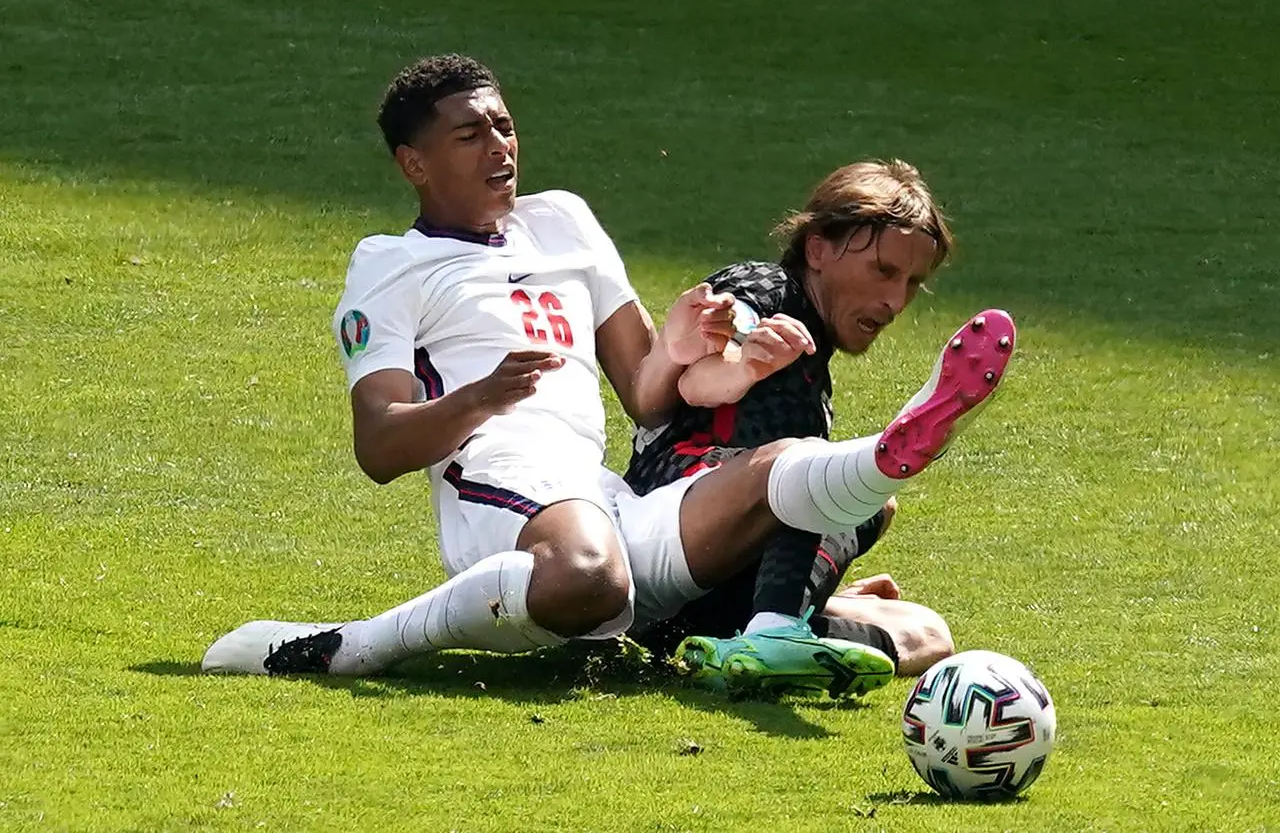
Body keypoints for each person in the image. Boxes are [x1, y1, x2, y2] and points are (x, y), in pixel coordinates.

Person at [200, 55, 1015, 696]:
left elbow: (646, 392)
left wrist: (704, 353)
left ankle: (865, 492)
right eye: (470, 135)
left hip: (602, 492)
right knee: (592, 576)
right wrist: (484, 394)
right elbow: (378, 444)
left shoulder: (564, 222)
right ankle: (354, 645)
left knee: (785, 472)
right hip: (499, 479)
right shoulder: (391, 265)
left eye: (506, 126)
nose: (500, 147)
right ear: (414, 163)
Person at [627, 161, 972, 695]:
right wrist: (745, 363)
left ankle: (763, 632)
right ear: (817, 249)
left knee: (928, 635)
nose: (896, 302)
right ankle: (775, 631)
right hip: (676, 519)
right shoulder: (765, 288)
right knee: (838, 482)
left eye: (912, 283)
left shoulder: (815, 368)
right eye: (883, 271)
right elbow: (702, 374)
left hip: (709, 599)